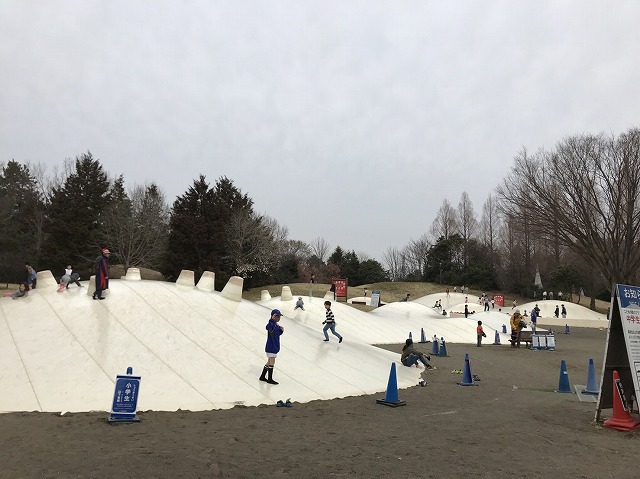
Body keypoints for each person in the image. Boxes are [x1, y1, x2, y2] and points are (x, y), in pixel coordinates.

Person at [259, 309, 284, 385]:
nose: (278, 318)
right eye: (276, 316)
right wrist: (272, 319)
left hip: (274, 346)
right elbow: (267, 327)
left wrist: (281, 330)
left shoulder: (276, 325)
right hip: (271, 347)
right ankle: (270, 379)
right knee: (272, 362)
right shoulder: (271, 324)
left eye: (279, 316)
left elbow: (276, 334)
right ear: (273, 316)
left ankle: (262, 376)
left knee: (269, 362)